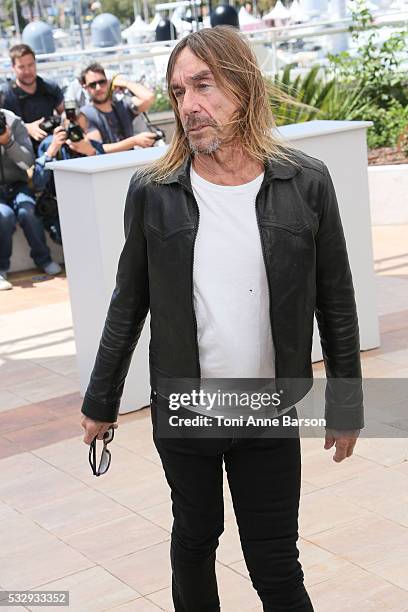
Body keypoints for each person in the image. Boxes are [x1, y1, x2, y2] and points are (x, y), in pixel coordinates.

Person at [80, 26, 364, 611]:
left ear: (243, 86)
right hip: (186, 407)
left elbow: (335, 298)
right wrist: (100, 401)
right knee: (194, 542)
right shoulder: (153, 190)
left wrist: (347, 404)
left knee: (276, 562)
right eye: (178, 91)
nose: (188, 105)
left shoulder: (306, 182)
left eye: (203, 85)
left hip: (268, 406)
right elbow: (127, 301)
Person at [0, 108, 61, 291]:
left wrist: (8, 142)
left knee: (28, 211)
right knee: (4, 216)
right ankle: (1, 267)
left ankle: (44, 259)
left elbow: (28, 162)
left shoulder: (13, 121)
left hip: (18, 184)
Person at [33, 116, 105, 245]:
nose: (74, 133)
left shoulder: (91, 144)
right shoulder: (50, 144)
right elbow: (38, 182)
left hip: (90, 207)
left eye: (78, 128)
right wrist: (50, 153)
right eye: (70, 128)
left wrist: (91, 153)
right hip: (61, 210)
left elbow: (105, 179)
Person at [79, 63, 157, 153]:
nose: (98, 88)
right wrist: (134, 141)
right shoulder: (86, 114)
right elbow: (98, 149)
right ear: (85, 88)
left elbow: (148, 98)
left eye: (102, 82)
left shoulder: (122, 105)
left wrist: (125, 83)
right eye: (92, 84)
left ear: (108, 82)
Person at [1, 44, 64, 151]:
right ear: (13, 68)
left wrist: (61, 123)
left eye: (30, 65)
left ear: (35, 64)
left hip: (51, 146)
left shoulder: (50, 87)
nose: (27, 71)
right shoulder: (4, 94)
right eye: (21, 67)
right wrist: (26, 128)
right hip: (17, 150)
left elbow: (64, 112)